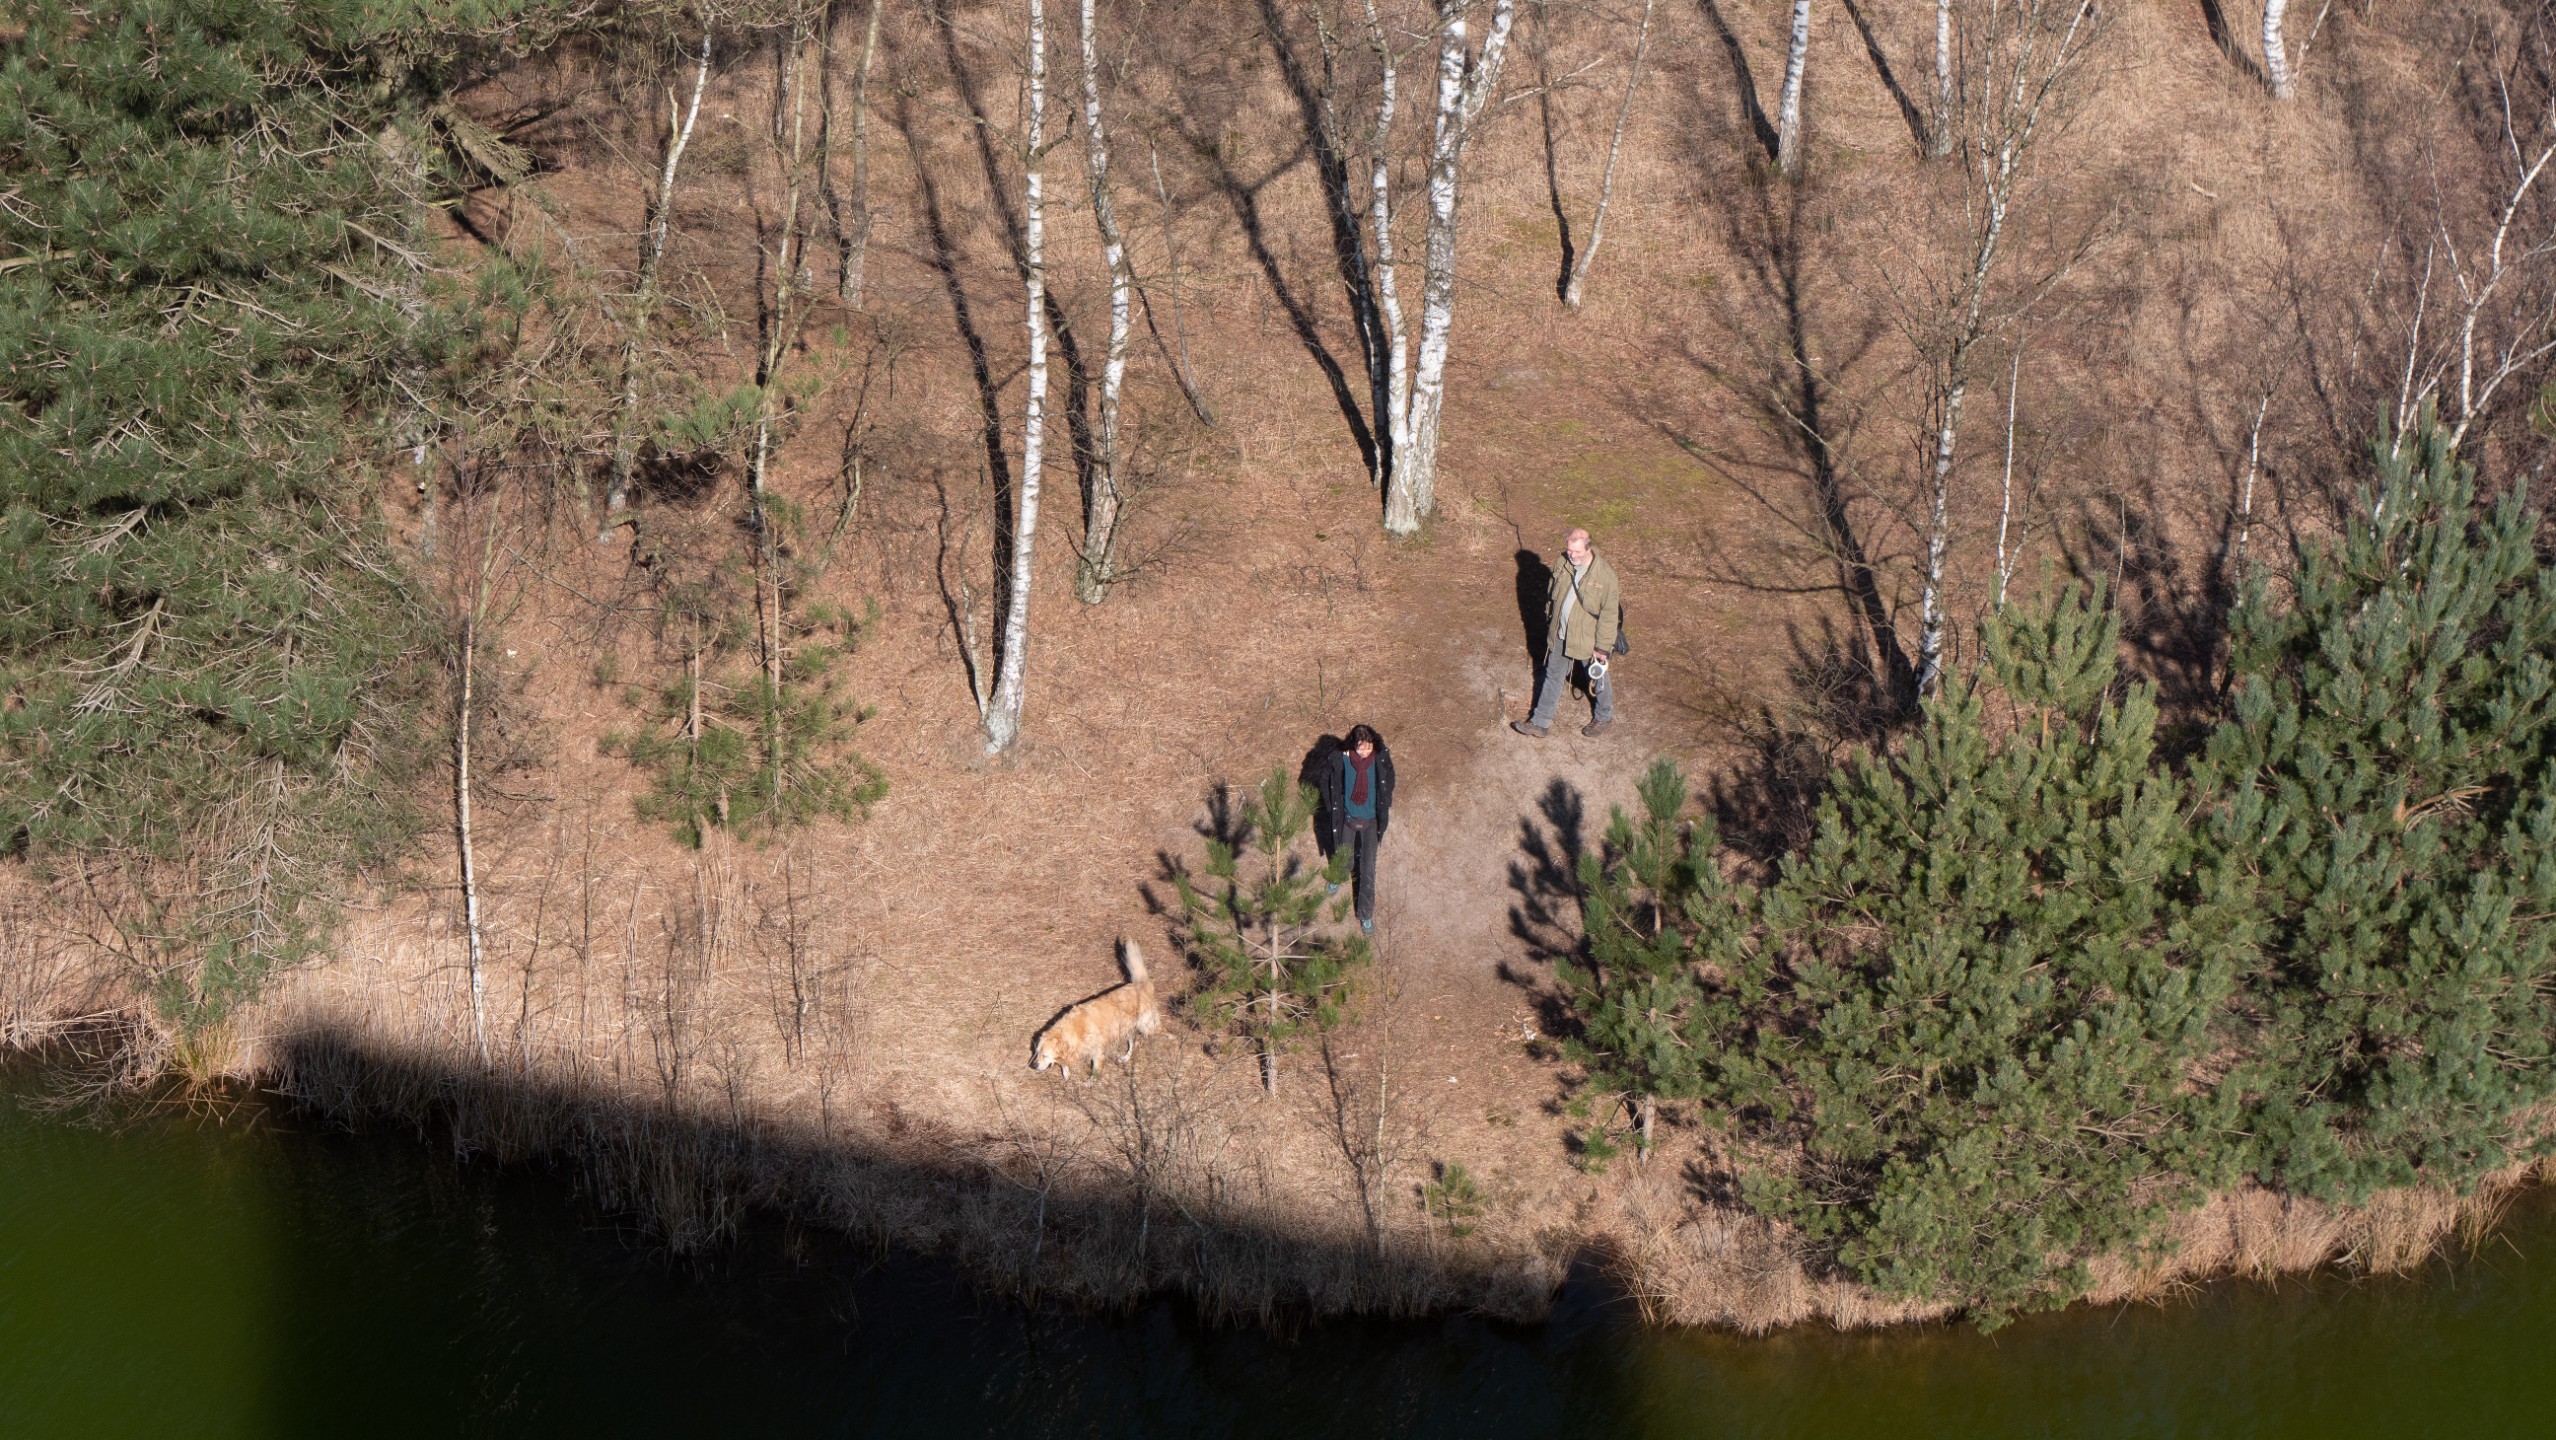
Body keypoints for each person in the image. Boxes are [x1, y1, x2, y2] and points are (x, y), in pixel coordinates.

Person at [1513, 527, 1621, 738]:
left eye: (1577, 552)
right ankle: (1540, 723)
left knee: (1597, 677)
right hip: (1561, 633)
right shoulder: (1562, 562)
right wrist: (1550, 619)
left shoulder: (1605, 576)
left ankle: (1604, 716)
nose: (1572, 555)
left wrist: (1602, 647)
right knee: (1553, 675)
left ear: (1588, 548)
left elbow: (1609, 615)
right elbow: (1552, 594)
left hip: (1588, 639)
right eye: (1570, 550)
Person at [1314, 724, 1395, 934]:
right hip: (1347, 818)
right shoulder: (1340, 758)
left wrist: (1385, 800)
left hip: (1371, 821)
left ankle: (1366, 914)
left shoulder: (1380, 757)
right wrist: (1331, 804)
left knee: (1368, 869)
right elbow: (1324, 778)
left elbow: (1390, 777)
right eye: (1361, 748)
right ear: (1353, 745)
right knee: (1344, 856)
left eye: (1368, 747)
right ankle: (1337, 877)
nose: (1365, 752)